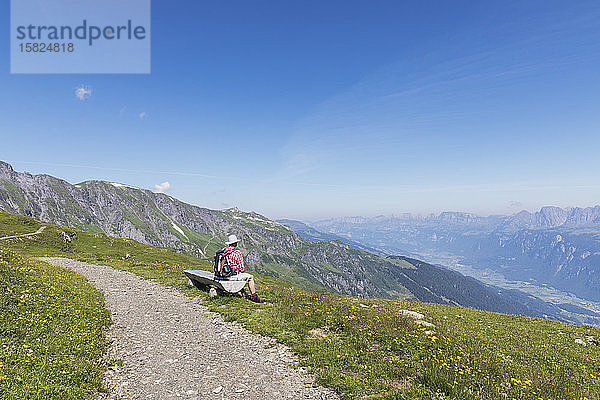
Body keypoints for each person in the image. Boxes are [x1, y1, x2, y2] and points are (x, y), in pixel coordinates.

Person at [221, 234, 261, 303]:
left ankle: (243, 292)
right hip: (232, 276)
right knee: (251, 277)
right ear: (235, 243)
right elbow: (242, 268)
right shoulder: (237, 253)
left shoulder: (224, 252)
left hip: (224, 275)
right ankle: (254, 296)